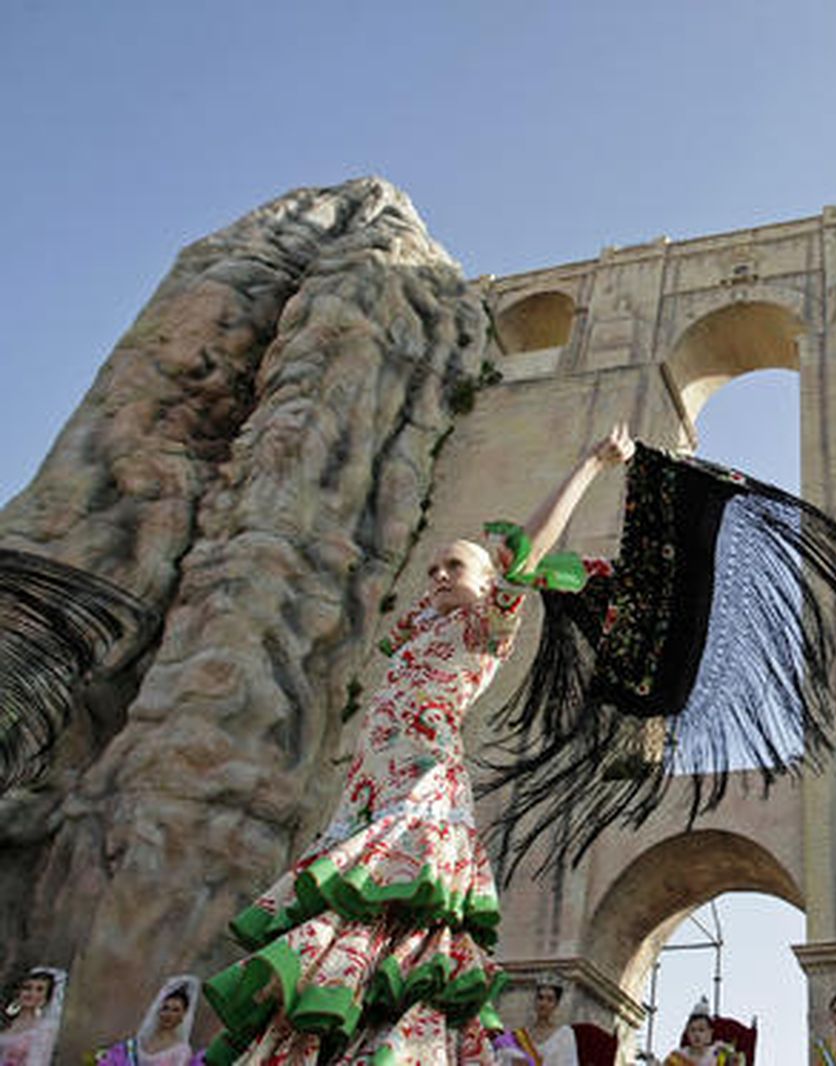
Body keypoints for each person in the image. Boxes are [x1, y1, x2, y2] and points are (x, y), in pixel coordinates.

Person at [202, 426, 635, 1065]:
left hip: (420, 790)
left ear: (490, 584)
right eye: (432, 565)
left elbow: (528, 546)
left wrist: (590, 463)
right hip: (367, 798)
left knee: (392, 927)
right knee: (350, 933)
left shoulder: (483, 627)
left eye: (453, 566)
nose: (436, 574)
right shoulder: (417, 632)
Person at [96, 975, 201, 1066]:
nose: (168, 1014)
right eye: (165, 1008)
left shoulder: (182, 1050)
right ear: (158, 1010)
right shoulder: (144, 1039)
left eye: (175, 1010)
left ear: (183, 1015)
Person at [498, 976, 579, 1066]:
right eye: (540, 998)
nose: (543, 1003)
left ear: (556, 1004)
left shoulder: (564, 1035)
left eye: (550, 999)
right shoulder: (522, 1034)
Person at [0, 968, 66, 1066]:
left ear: (46, 998)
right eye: (27, 988)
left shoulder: (44, 1029)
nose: (32, 993)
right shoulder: (6, 1021)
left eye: (39, 989)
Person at [664, 998, 745, 1066]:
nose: (697, 1034)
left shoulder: (719, 1052)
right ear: (687, 1033)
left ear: (709, 1033)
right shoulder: (677, 1057)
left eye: (701, 1030)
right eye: (693, 1030)